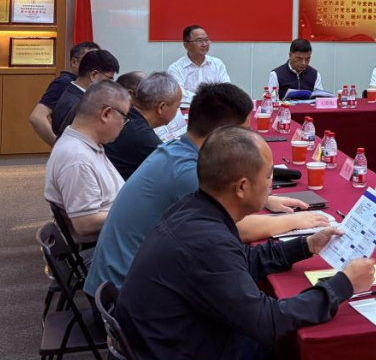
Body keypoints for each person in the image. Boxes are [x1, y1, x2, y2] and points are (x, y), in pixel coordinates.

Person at [107, 126, 376, 360]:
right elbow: (267, 321)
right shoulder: (205, 240)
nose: (272, 184)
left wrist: (306, 245)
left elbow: (242, 261)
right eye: (269, 176)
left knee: (276, 356)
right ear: (242, 187)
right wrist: (343, 285)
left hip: (174, 356)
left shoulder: (193, 210)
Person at [85, 83, 327, 298]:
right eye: (244, 132)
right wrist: (296, 221)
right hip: (127, 296)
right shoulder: (188, 172)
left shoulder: (178, 150)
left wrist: (266, 200)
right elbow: (235, 229)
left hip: (120, 282)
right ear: (225, 134)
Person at [44, 80, 129, 240]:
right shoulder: (77, 158)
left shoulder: (85, 144)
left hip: (113, 237)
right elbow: (86, 223)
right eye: (124, 118)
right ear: (106, 114)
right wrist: (137, 212)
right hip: (104, 246)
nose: (124, 125)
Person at [104, 72, 183, 179]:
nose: (178, 111)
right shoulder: (144, 138)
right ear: (161, 107)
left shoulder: (124, 115)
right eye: (177, 107)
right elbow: (176, 174)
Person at [28, 40, 99, 147]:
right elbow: (37, 117)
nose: (94, 66)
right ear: (74, 62)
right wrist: (58, 145)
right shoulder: (64, 83)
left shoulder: (90, 85)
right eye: (88, 61)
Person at [51, 49, 121, 137]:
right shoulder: (77, 104)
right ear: (94, 75)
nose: (110, 84)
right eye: (109, 79)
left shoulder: (73, 95)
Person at [168, 24, 231, 107]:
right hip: (188, 110)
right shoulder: (175, 68)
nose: (204, 44)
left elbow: (226, 88)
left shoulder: (217, 64)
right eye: (199, 41)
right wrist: (205, 99)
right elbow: (179, 94)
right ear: (186, 45)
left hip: (215, 110)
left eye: (206, 40)